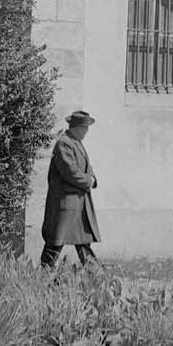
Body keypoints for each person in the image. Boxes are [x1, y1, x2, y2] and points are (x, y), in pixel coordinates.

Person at [40, 110, 101, 269]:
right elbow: (71, 172)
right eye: (85, 127)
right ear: (76, 127)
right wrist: (89, 181)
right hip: (66, 205)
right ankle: (42, 278)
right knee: (55, 243)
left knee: (83, 243)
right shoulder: (64, 143)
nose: (87, 131)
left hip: (77, 204)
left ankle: (97, 279)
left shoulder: (75, 142)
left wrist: (92, 178)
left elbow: (86, 167)